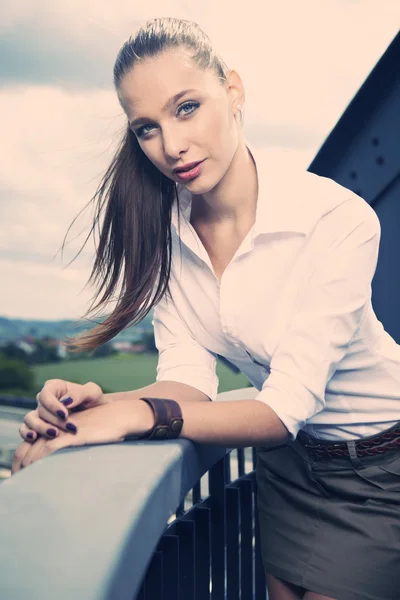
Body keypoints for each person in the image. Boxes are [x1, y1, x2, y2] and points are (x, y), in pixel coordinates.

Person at [11, 17, 400, 600]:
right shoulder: (168, 237)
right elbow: (188, 384)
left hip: (380, 464)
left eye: (186, 107)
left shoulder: (335, 220)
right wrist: (95, 407)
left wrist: (138, 417)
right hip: (288, 468)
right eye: (146, 128)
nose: (171, 146)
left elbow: (281, 409)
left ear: (234, 91)